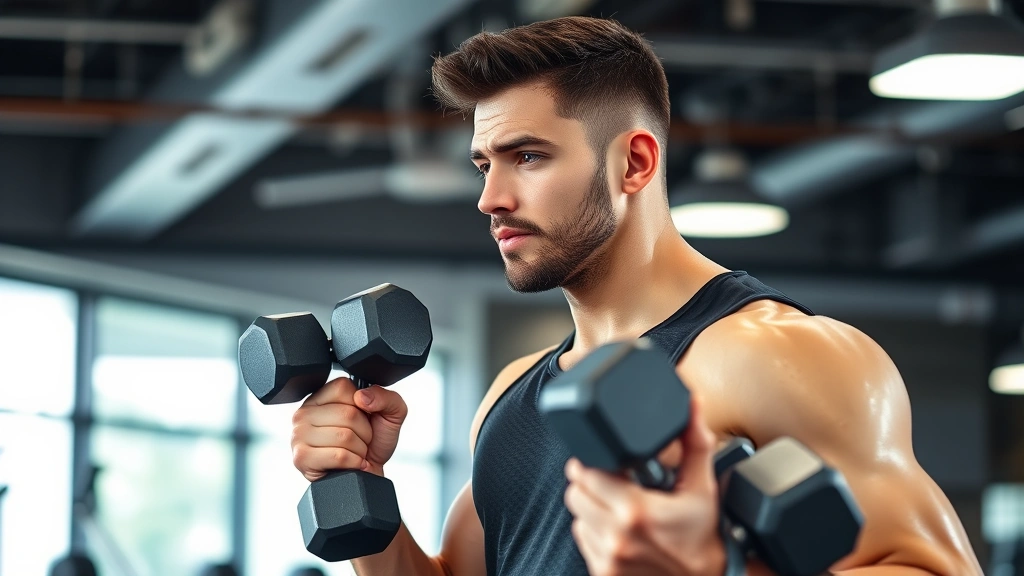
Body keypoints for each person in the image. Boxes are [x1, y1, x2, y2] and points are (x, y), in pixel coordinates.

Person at [290, 16, 984, 576]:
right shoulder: (513, 395)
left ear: (635, 162)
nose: (490, 199)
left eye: (528, 157)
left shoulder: (774, 355)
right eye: (484, 164)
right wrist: (358, 485)